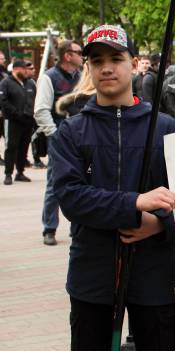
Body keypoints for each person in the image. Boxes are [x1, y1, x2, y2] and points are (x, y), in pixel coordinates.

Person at [50, 24, 175, 351]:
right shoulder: (72, 132)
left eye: (116, 59)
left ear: (132, 64)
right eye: (97, 61)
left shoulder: (166, 127)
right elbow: (73, 199)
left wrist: (159, 224)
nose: (107, 68)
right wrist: (134, 203)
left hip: (155, 273)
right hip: (93, 276)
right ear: (88, 69)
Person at [34, 40, 82, 246]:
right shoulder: (49, 78)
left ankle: (78, 226)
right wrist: (55, 135)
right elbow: (41, 110)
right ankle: (49, 228)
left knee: (84, 181)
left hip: (81, 138)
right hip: (60, 139)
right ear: (67, 56)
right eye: (79, 52)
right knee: (55, 183)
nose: (83, 56)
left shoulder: (81, 77)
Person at [0, 59, 36, 185]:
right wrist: (16, 113)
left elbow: (34, 100)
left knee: (23, 148)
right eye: (24, 69)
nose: (27, 71)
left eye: (28, 69)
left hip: (27, 121)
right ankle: (8, 174)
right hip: (12, 120)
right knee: (11, 147)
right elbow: (3, 101)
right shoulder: (6, 83)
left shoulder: (30, 83)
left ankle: (20, 172)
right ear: (15, 69)